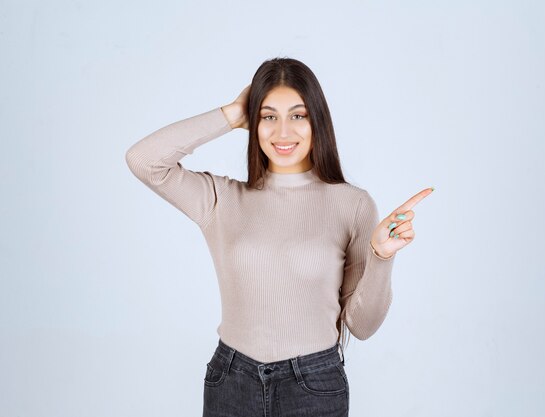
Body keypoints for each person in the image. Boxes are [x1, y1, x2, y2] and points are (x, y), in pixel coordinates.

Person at [125, 57, 433, 417]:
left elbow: (362, 326)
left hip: (313, 385)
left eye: (298, 116)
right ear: (253, 123)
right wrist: (230, 114)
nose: (282, 132)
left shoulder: (352, 204)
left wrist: (381, 256)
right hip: (231, 381)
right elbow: (143, 160)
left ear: (317, 120)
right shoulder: (221, 199)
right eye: (268, 116)